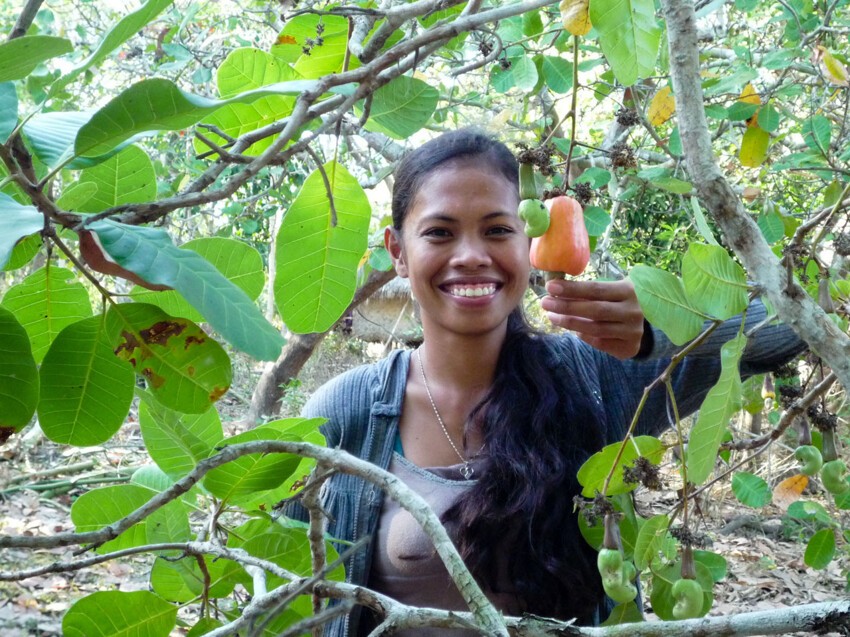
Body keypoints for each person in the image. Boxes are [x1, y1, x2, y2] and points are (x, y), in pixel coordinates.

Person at [292, 129, 806, 635]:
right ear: (397, 250)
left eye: (497, 230)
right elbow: (287, 595)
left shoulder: (595, 374)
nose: (471, 254)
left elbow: (799, 327)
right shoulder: (345, 411)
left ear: (530, 242)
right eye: (439, 232)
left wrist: (668, 326)